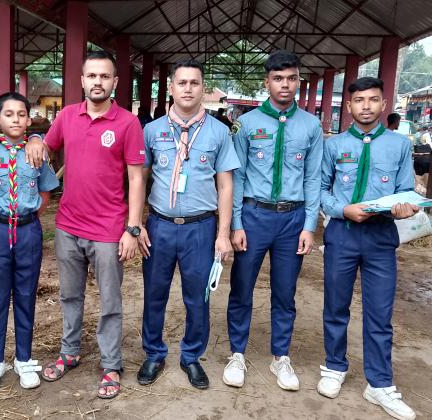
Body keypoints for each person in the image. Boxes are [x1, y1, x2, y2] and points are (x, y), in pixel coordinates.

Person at [24, 50, 145, 399]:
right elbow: (46, 146)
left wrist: (133, 228)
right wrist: (34, 139)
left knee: (110, 301)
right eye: (92, 76)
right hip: (68, 225)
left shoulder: (127, 123)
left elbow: (136, 179)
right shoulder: (67, 116)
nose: (98, 82)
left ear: (115, 82)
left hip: (108, 229)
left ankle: (111, 364)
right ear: (81, 80)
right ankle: (70, 351)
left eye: (104, 76)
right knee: (70, 294)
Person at [318, 77, 418, 420]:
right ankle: (334, 366)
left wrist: (405, 208)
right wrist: (342, 209)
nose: (365, 106)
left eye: (373, 100)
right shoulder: (334, 145)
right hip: (342, 234)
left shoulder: (399, 145)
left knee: (380, 313)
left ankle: (379, 383)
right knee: (336, 305)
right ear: (349, 106)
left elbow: (406, 191)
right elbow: (321, 190)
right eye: (359, 100)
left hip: (380, 238)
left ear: (383, 105)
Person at [136, 59, 239, 389]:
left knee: (198, 297)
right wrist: (135, 224)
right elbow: (138, 179)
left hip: (200, 228)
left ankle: (191, 356)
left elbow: (225, 185)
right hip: (160, 226)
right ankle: (154, 353)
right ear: (171, 88)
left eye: (195, 83)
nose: (188, 89)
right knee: (155, 293)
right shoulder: (152, 131)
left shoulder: (219, 132)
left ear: (203, 88)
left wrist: (223, 234)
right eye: (182, 83)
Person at [225, 50, 323, 391]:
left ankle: (281, 356)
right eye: (278, 78)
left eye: (291, 78)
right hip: (254, 216)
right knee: (242, 288)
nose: (285, 84)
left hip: (292, 220)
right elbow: (237, 176)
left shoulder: (311, 125)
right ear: (266, 82)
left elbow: (313, 178)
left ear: (298, 81)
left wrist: (309, 226)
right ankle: (237, 353)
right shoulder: (246, 124)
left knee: (285, 292)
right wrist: (236, 223)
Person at [0, 92, 59, 392]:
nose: (16, 119)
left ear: (29, 119)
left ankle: (24, 357)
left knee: (25, 294)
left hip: (28, 231)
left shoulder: (37, 153)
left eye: (21, 114)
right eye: (8, 114)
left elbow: (45, 192)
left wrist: (27, 215)